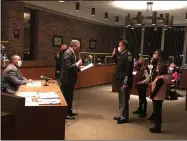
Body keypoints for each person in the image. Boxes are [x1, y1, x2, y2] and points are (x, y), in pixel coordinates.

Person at [60, 40, 83, 120]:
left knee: (70, 96)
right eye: (78, 47)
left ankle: (69, 111)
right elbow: (68, 67)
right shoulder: (68, 53)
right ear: (74, 46)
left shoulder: (71, 52)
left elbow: (72, 67)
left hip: (70, 79)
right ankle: (65, 113)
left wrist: (79, 68)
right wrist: (77, 64)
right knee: (66, 96)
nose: (78, 48)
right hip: (67, 79)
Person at [112, 40, 134, 124]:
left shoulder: (128, 55)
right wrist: (114, 56)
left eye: (120, 45)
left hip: (124, 82)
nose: (118, 47)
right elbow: (119, 63)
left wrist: (125, 82)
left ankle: (124, 117)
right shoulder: (122, 55)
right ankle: (121, 115)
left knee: (124, 100)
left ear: (124, 46)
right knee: (121, 99)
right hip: (119, 80)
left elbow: (128, 71)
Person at [149, 63, 171, 133]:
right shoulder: (164, 76)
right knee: (158, 112)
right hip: (160, 96)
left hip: (157, 97)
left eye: (158, 68)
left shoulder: (161, 78)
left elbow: (156, 89)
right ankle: (157, 126)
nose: (157, 69)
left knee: (157, 113)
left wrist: (151, 95)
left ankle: (157, 128)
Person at [148, 49, 165, 121]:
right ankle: (154, 114)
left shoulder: (162, 63)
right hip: (154, 80)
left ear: (159, 55)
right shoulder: (155, 61)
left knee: (157, 100)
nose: (153, 54)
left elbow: (158, 73)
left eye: (155, 53)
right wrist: (152, 62)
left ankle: (156, 117)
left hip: (159, 82)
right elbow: (152, 70)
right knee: (154, 100)